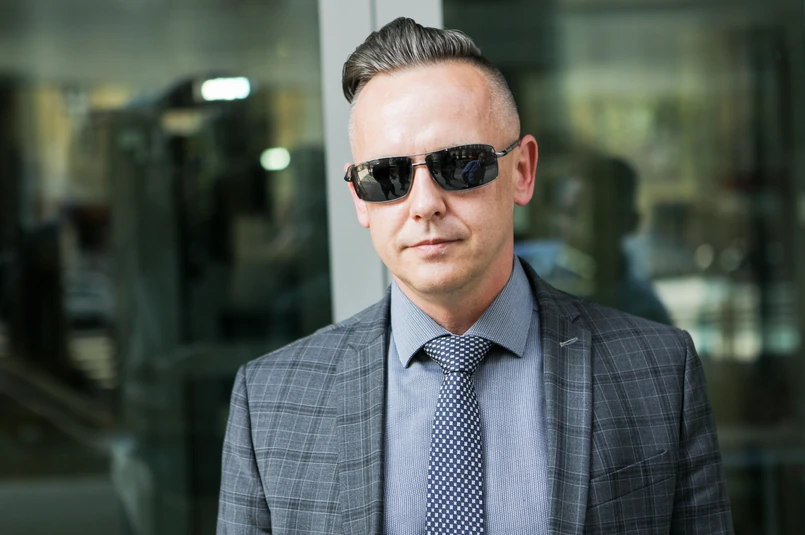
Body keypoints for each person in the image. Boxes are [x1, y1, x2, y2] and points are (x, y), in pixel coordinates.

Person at [217, 17, 733, 534]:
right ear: (359, 199)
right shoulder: (271, 402)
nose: (424, 204)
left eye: (461, 165)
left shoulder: (659, 372)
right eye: (387, 176)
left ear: (523, 171)